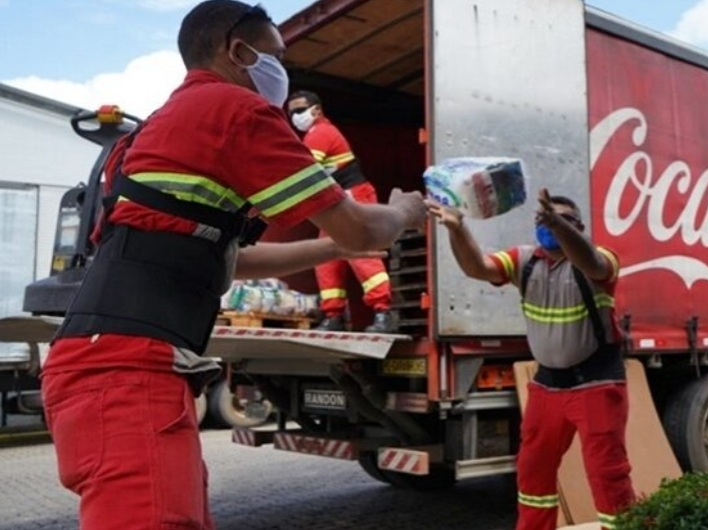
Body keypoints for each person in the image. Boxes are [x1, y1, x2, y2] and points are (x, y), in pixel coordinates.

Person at [39, 2, 426, 529]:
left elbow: (233, 259)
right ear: (239, 52)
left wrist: (336, 248)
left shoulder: (161, 128)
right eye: (277, 56)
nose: (283, 74)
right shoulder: (234, 111)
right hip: (127, 374)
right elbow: (360, 225)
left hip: (116, 366)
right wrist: (403, 213)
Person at [427, 189, 635, 530]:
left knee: (607, 472)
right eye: (544, 218)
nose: (550, 224)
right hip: (548, 384)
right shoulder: (525, 261)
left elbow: (591, 263)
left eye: (564, 220)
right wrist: (457, 228)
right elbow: (477, 267)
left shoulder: (599, 259)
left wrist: (560, 226)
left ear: (580, 227)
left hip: (597, 383)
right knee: (533, 471)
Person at [287, 90, 396, 332]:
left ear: (316, 110)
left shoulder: (320, 133)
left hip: (354, 196)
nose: (296, 116)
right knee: (326, 260)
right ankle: (333, 315)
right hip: (338, 202)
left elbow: (304, 173)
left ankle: (384, 313)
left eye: (299, 110)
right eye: (291, 112)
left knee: (362, 254)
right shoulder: (315, 135)